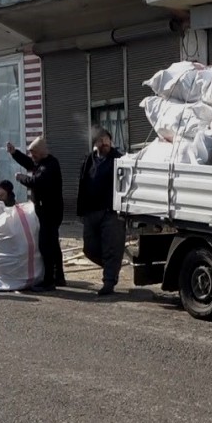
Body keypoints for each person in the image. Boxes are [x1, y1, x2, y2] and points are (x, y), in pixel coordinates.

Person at [8, 137, 64, 290]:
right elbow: (29, 163)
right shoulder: (41, 162)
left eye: (34, 153)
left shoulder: (50, 166)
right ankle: (59, 277)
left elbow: (36, 182)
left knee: (46, 245)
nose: (32, 156)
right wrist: (15, 153)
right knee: (53, 244)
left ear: (41, 152)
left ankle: (49, 281)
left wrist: (21, 177)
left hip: (50, 212)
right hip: (46, 210)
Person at [77, 127, 125, 296]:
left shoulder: (119, 159)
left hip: (110, 212)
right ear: (95, 143)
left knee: (111, 248)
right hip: (91, 212)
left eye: (107, 140)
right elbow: (82, 185)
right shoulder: (88, 160)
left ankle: (109, 282)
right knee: (89, 248)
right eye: (101, 140)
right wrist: (80, 211)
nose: (105, 143)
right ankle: (112, 267)